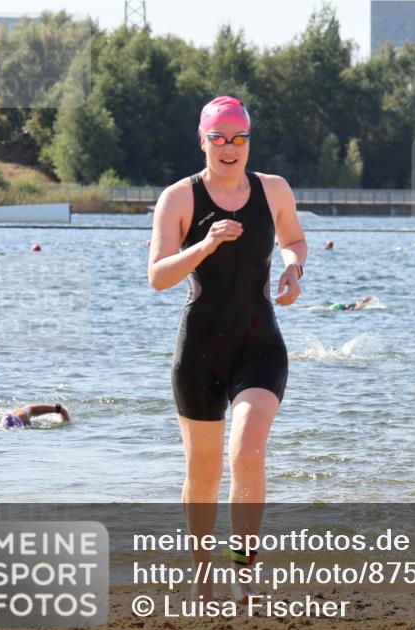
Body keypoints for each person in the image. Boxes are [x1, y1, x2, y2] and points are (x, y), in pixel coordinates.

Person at [147, 96, 307, 603]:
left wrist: (293, 267)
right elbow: (158, 276)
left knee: (247, 451)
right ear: (204, 142)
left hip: (260, 345)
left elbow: (295, 240)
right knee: (203, 471)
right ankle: (202, 570)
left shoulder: (273, 190)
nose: (230, 147)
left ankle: (244, 569)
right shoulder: (179, 198)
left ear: (249, 142)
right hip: (198, 353)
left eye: (239, 138)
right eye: (219, 138)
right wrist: (206, 244)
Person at [0, 403, 70, 429]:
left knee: (63, 410)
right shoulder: (5, 422)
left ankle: (60, 409)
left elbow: (30, 408)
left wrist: (66, 421)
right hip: (8, 418)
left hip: (27, 411)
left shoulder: (24, 418)